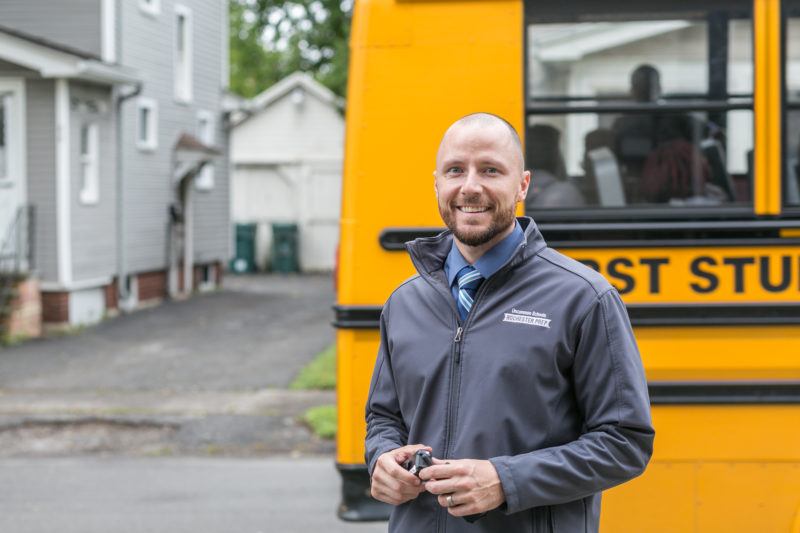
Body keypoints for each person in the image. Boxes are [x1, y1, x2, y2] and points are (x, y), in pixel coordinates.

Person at [364, 112, 654, 532]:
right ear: (437, 183)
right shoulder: (404, 302)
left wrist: (506, 480)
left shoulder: (584, 298)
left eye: (490, 170)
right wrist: (382, 458)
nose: (470, 187)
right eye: (455, 171)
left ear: (522, 185)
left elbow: (625, 442)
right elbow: (383, 417)